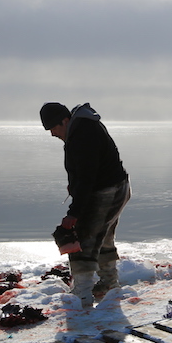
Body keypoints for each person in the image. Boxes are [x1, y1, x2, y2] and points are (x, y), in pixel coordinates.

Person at [40, 102, 131, 308]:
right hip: (117, 187)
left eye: (54, 128)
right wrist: (75, 185)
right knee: (103, 236)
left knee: (83, 237)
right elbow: (85, 172)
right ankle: (109, 283)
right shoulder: (81, 128)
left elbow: (88, 177)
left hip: (107, 190)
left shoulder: (82, 134)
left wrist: (74, 213)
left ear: (65, 120)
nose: (53, 134)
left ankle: (82, 293)